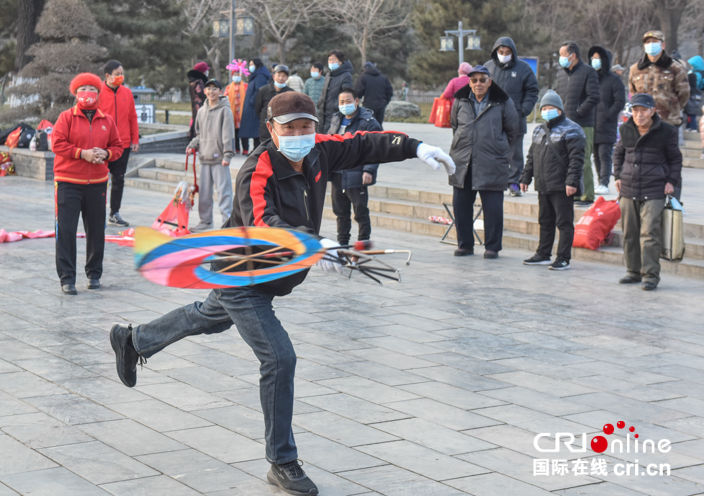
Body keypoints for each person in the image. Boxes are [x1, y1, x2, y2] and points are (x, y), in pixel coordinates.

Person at [108, 91, 454, 496]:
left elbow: (363, 143)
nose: (299, 134)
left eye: (306, 126)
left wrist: (416, 146)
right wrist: (312, 243)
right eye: (289, 128)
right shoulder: (257, 170)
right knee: (279, 358)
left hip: (271, 277)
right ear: (271, 129)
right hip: (243, 278)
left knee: (204, 317)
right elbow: (263, 223)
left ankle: (132, 341)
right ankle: (282, 461)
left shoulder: (319, 151)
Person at [51, 73, 124, 295]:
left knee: (95, 230)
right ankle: (67, 278)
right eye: (82, 89)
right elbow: (57, 144)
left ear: (98, 93)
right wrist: (82, 154)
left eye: (91, 89)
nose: (87, 93)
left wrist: (107, 153)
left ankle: (94, 274)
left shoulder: (107, 120)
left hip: (98, 184)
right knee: (66, 230)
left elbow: (118, 147)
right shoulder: (66, 117)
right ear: (75, 94)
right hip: (68, 182)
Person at [449, 65, 519, 259]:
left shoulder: (503, 101)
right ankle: (465, 244)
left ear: (489, 82)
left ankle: (492, 247)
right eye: (474, 80)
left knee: (493, 207)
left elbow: (513, 130)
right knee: (461, 205)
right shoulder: (460, 100)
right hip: (464, 161)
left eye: (482, 80)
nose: (478, 83)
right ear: (469, 82)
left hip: (492, 160)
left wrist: (498, 146)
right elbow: (455, 125)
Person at [613, 94, 682, 291]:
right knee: (629, 233)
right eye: (635, 110)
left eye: (643, 110)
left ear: (653, 111)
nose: (639, 114)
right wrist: (617, 175)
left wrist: (671, 181)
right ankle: (632, 272)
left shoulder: (666, 131)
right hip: (628, 189)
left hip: (654, 189)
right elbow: (618, 154)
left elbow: (675, 159)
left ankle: (650, 276)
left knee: (650, 233)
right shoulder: (625, 129)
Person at [520, 90, 585, 271]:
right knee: (545, 220)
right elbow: (531, 156)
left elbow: (577, 159)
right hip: (543, 184)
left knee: (564, 223)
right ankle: (543, 254)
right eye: (544, 107)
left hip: (562, 186)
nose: (547, 110)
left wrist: (571, 182)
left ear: (559, 109)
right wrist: (526, 177)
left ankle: (563, 258)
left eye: (551, 107)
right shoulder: (539, 130)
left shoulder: (572, 129)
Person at [628, 31, 689, 200]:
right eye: (647, 42)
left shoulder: (675, 68)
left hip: (668, 123)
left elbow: (684, 94)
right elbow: (634, 94)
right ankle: (648, 198)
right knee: (644, 162)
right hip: (644, 125)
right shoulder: (635, 69)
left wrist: (671, 110)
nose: (651, 45)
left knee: (672, 161)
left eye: (655, 42)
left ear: (663, 45)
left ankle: (673, 200)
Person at [484, 37, 540, 197]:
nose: (504, 55)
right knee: (491, 150)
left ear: (513, 53)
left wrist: (523, 110)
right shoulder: (488, 67)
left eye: (507, 52)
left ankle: (514, 182)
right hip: (492, 118)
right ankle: (494, 181)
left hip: (515, 118)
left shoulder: (523, 68)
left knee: (514, 152)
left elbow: (532, 90)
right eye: (501, 52)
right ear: (496, 52)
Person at [326, 88, 382, 245]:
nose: (345, 105)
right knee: (340, 212)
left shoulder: (368, 122)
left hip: (356, 173)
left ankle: (363, 243)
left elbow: (377, 148)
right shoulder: (336, 119)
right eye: (341, 102)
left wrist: (369, 169)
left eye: (348, 101)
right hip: (337, 173)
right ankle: (343, 244)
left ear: (357, 101)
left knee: (360, 212)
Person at [186, 78, 235, 232]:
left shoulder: (225, 110)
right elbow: (199, 134)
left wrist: (228, 155)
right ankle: (205, 222)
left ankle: (228, 222)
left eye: (215, 89)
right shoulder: (201, 111)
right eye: (209, 89)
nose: (211, 91)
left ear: (220, 91)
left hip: (220, 159)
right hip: (205, 158)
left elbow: (228, 134)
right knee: (205, 194)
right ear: (204, 91)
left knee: (224, 192)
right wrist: (191, 145)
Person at [555, 40, 600, 206]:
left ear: (572, 55)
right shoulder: (561, 74)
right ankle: (572, 191)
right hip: (563, 124)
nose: (560, 58)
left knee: (584, 159)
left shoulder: (588, 72)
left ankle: (587, 194)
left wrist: (578, 112)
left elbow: (594, 96)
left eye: (562, 55)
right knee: (566, 159)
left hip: (583, 124)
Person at [98, 60, 139, 228]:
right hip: (103, 144)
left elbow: (132, 117)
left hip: (123, 144)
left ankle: (114, 213)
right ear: (107, 76)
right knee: (100, 179)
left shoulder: (127, 93)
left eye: (122, 73)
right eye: (117, 74)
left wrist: (134, 139)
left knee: (119, 179)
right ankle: (97, 212)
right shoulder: (98, 92)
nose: (120, 77)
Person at [588, 46, 626, 195]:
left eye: (597, 58)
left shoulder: (614, 80)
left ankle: (604, 182)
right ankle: (600, 181)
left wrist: (608, 114)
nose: (594, 61)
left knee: (604, 153)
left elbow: (619, 101)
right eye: (593, 58)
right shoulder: (591, 78)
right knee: (596, 155)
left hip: (606, 123)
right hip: (591, 122)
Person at [317, 50, 354, 131]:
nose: (331, 62)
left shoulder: (346, 75)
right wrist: (320, 103)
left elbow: (347, 94)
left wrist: (335, 105)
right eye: (329, 60)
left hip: (335, 113)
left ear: (340, 61)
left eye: (334, 60)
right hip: (323, 113)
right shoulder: (328, 74)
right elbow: (324, 92)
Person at [240, 58, 272, 150]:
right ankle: (253, 149)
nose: (250, 66)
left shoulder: (260, 76)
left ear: (257, 65)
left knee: (255, 130)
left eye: (251, 64)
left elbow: (259, 89)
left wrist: (252, 101)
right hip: (252, 106)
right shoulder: (257, 74)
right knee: (253, 129)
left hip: (254, 106)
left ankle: (256, 149)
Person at [255, 65, 293, 143]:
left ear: (287, 78)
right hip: (265, 130)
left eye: (284, 76)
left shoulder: (291, 93)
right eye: (278, 75)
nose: (281, 78)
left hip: (283, 130)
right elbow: (258, 108)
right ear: (273, 76)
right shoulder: (263, 90)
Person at [354, 62, 393, 127]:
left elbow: (358, 91)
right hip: (381, 105)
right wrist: (385, 102)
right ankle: (380, 136)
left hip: (368, 105)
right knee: (378, 125)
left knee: (368, 125)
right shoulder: (383, 77)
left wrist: (357, 99)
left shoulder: (363, 77)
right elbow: (389, 91)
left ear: (364, 69)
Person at [225, 59, 250, 155]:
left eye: (238, 75)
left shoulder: (246, 86)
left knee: (244, 132)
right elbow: (225, 98)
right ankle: (236, 148)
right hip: (232, 113)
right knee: (234, 133)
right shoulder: (228, 88)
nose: (236, 77)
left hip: (243, 113)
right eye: (234, 75)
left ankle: (245, 149)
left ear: (241, 75)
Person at [187, 62, 209, 138]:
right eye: (206, 70)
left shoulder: (192, 82)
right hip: (201, 106)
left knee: (196, 123)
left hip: (195, 106)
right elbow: (202, 93)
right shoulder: (199, 82)